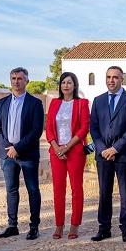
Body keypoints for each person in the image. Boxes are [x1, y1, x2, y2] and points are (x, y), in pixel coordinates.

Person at [89, 66, 126, 242]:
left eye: (116, 77)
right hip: (103, 155)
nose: (112, 80)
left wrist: (115, 148)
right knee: (104, 192)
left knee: (125, 192)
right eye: (109, 77)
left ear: (122, 79)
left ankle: (125, 228)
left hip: (124, 155)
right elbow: (94, 128)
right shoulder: (98, 100)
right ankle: (104, 228)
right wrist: (103, 149)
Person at [0, 67, 44, 240]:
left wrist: (18, 148)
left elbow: (36, 131)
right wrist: (8, 147)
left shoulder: (35, 103)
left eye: (20, 78)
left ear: (27, 81)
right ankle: (12, 225)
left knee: (33, 189)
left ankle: (34, 226)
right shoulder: (2, 103)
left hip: (27, 154)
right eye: (13, 78)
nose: (16, 81)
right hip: (7, 155)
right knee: (11, 190)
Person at [45, 72, 90, 240]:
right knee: (58, 189)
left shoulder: (82, 103)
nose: (66, 85)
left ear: (74, 85)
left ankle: (74, 224)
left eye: (69, 82)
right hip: (56, 152)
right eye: (63, 82)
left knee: (76, 189)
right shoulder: (54, 103)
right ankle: (59, 225)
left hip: (75, 150)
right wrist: (57, 147)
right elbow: (49, 127)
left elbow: (84, 127)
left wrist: (67, 147)